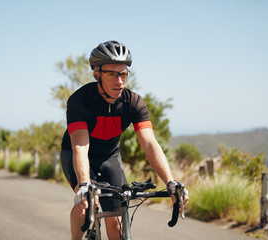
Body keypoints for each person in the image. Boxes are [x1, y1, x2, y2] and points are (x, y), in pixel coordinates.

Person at [61, 40, 188, 240]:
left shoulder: (134, 103)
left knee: (117, 220)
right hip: (77, 154)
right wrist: (84, 184)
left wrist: (170, 181)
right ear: (97, 75)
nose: (119, 81)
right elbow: (80, 146)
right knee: (86, 205)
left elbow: (149, 144)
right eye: (112, 74)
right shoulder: (79, 101)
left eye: (123, 74)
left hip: (109, 156)